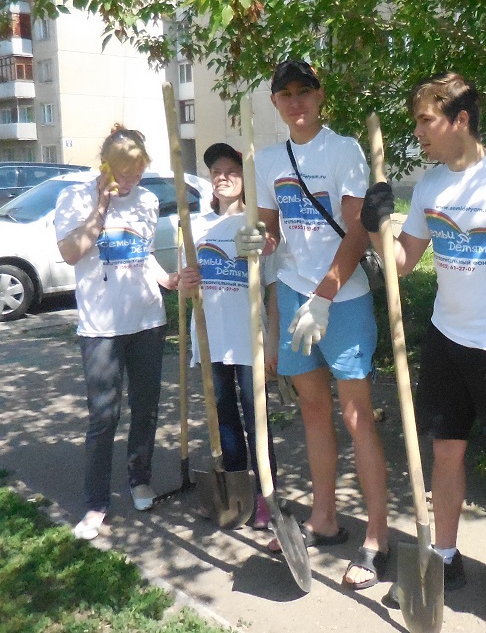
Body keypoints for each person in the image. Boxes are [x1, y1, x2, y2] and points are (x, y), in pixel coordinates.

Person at [360, 72, 486, 624]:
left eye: (426, 120)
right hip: (446, 341)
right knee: (446, 452)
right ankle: (445, 558)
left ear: (461, 120)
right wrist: (376, 227)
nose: (418, 132)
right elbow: (403, 264)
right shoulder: (430, 186)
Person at [238, 59, 390, 589]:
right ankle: (324, 519)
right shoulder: (266, 159)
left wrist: (324, 297)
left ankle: (376, 538)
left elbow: (357, 231)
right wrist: (256, 241)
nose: (296, 102)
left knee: (357, 416)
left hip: (342, 300)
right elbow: (272, 231)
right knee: (312, 410)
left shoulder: (343, 150)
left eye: (304, 91)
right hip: (293, 292)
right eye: (286, 94)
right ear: (275, 103)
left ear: (319, 96)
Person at [55, 125, 179, 540]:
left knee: (146, 408)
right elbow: (71, 252)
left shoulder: (147, 201)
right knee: (104, 416)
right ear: (106, 166)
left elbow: (144, 254)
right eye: (124, 173)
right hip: (101, 328)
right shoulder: (74, 198)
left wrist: (169, 280)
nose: (131, 181)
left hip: (147, 321)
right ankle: (95, 503)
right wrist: (101, 208)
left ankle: (140, 479)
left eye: (138, 173)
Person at [177, 142, 279, 531]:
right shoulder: (195, 225)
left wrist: (272, 341)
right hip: (211, 338)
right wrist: (185, 282)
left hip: (248, 337)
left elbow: (272, 288)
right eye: (215, 171)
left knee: (257, 417)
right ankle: (236, 492)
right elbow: (185, 285)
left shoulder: (256, 227)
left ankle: (268, 496)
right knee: (223, 417)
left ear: (244, 179)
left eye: (231, 171)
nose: (222, 177)